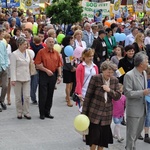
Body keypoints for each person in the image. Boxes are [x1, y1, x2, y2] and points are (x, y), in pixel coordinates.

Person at [82, 61, 121, 150]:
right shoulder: (95, 78)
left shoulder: (115, 80)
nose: (110, 74)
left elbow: (118, 96)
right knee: (94, 140)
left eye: (111, 72)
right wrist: (84, 113)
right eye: (108, 71)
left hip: (106, 115)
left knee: (102, 141)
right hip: (94, 113)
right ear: (103, 70)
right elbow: (88, 96)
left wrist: (109, 90)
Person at [123, 51, 149, 150]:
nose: (148, 63)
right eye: (146, 61)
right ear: (141, 64)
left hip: (143, 108)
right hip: (133, 110)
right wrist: (142, 92)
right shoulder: (129, 75)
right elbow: (128, 93)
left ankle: (132, 147)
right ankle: (130, 148)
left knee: (137, 134)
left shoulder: (145, 73)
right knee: (131, 135)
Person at [34, 37, 62, 120]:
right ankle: (42, 113)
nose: (51, 43)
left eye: (53, 42)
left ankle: (47, 112)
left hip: (53, 74)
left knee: (50, 94)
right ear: (46, 43)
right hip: (44, 74)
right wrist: (46, 70)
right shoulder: (41, 52)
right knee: (43, 94)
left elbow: (59, 65)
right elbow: (37, 64)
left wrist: (59, 75)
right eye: (50, 42)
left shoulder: (56, 53)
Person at [10, 37, 31, 119]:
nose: (26, 46)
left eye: (26, 44)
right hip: (18, 78)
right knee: (18, 97)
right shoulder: (14, 54)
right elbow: (12, 67)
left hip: (26, 77)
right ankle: (19, 112)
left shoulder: (28, 53)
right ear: (19, 45)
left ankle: (27, 112)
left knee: (26, 96)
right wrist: (13, 79)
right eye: (24, 44)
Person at [61, 36, 76, 107]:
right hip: (67, 68)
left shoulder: (71, 48)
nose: (73, 41)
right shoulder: (65, 49)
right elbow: (66, 60)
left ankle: (68, 96)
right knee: (68, 84)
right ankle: (68, 100)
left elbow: (70, 58)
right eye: (72, 40)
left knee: (72, 84)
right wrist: (71, 67)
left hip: (72, 67)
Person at [30, 36, 44, 104]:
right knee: (37, 83)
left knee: (32, 82)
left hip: (31, 65)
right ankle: (36, 98)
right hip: (39, 66)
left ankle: (32, 96)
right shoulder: (42, 48)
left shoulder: (31, 46)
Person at [0, 28, 8, 112]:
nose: (3, 35)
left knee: (5, 86)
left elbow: (5, 54)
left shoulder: (3, 43)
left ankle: (1, 100)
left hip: (3, 67)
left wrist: (6, 64)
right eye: (2, 34)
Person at [4, 33, 12, 105]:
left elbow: (10, 56)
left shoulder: (9, 46)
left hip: (9, 64)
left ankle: (8, 97)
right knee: (3, 82)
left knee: (9, 82)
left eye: (9, 38)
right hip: (2, 65)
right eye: (7, 38)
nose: (8, 39)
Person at [144, 67, 150, 143]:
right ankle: (146, 134)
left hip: (147, 99)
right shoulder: (145, 80)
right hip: (146, 99)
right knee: (147, 117)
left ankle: (146, 134)